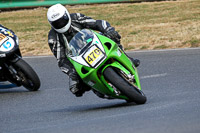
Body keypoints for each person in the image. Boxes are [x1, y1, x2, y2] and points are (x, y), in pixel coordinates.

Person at [47, 4, 140, 97]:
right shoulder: (53, 38)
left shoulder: (76, 17)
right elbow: (61, 59)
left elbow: (97, 23)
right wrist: (71, 72)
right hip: (78, 58)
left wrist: (108, 30)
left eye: (62, 20)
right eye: (57, 23)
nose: (61, 24)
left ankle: (127, 58)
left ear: (66, 15)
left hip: (94, 43)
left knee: (113, 36)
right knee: (75, 88)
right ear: (51, 24)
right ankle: (97, 88)